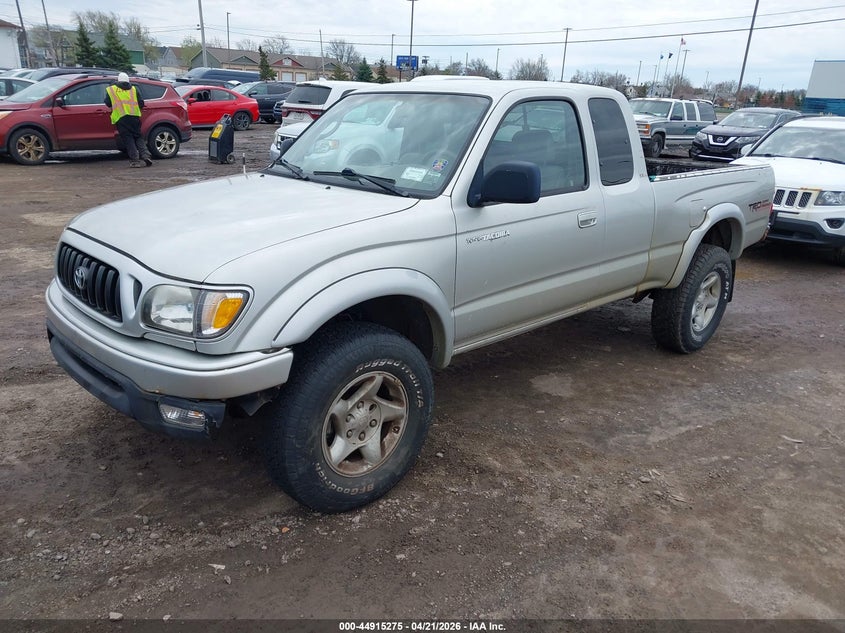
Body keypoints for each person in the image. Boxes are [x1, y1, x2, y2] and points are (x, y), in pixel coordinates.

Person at [104, 72, 153, 168]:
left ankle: (135, 161)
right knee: (138, 136)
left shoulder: (112, 90)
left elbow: (108, 103)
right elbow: (141, 103)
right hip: (134, 117)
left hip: (121, 117)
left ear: (118, 81)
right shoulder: (133, 89)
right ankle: (146, 155)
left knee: (128, 139)